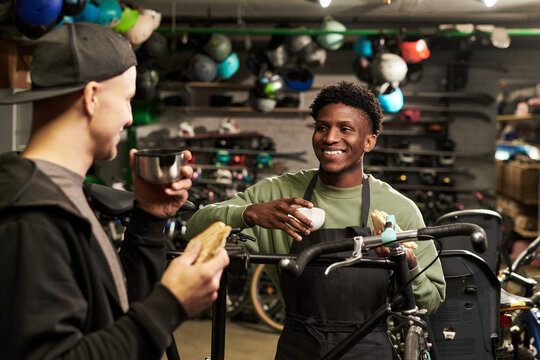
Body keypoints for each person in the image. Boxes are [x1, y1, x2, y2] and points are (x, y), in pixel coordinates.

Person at [0, 23, 229, 359]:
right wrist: (170, 305)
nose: (129, 118)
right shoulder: (31, 217)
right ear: (92, 97)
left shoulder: (63, 192)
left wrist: (150, 216)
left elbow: (114, 312)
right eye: (127, 99)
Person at [185, 81, 445, 359]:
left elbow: (430, 301)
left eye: (345, 129)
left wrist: (408, 264)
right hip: (298, 348)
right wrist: (249, 213)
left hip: (368, 350)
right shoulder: (278, 193)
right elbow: (195, 229)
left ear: (369, 141)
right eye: (322, 127)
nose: (330, 138)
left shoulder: (398, 209)